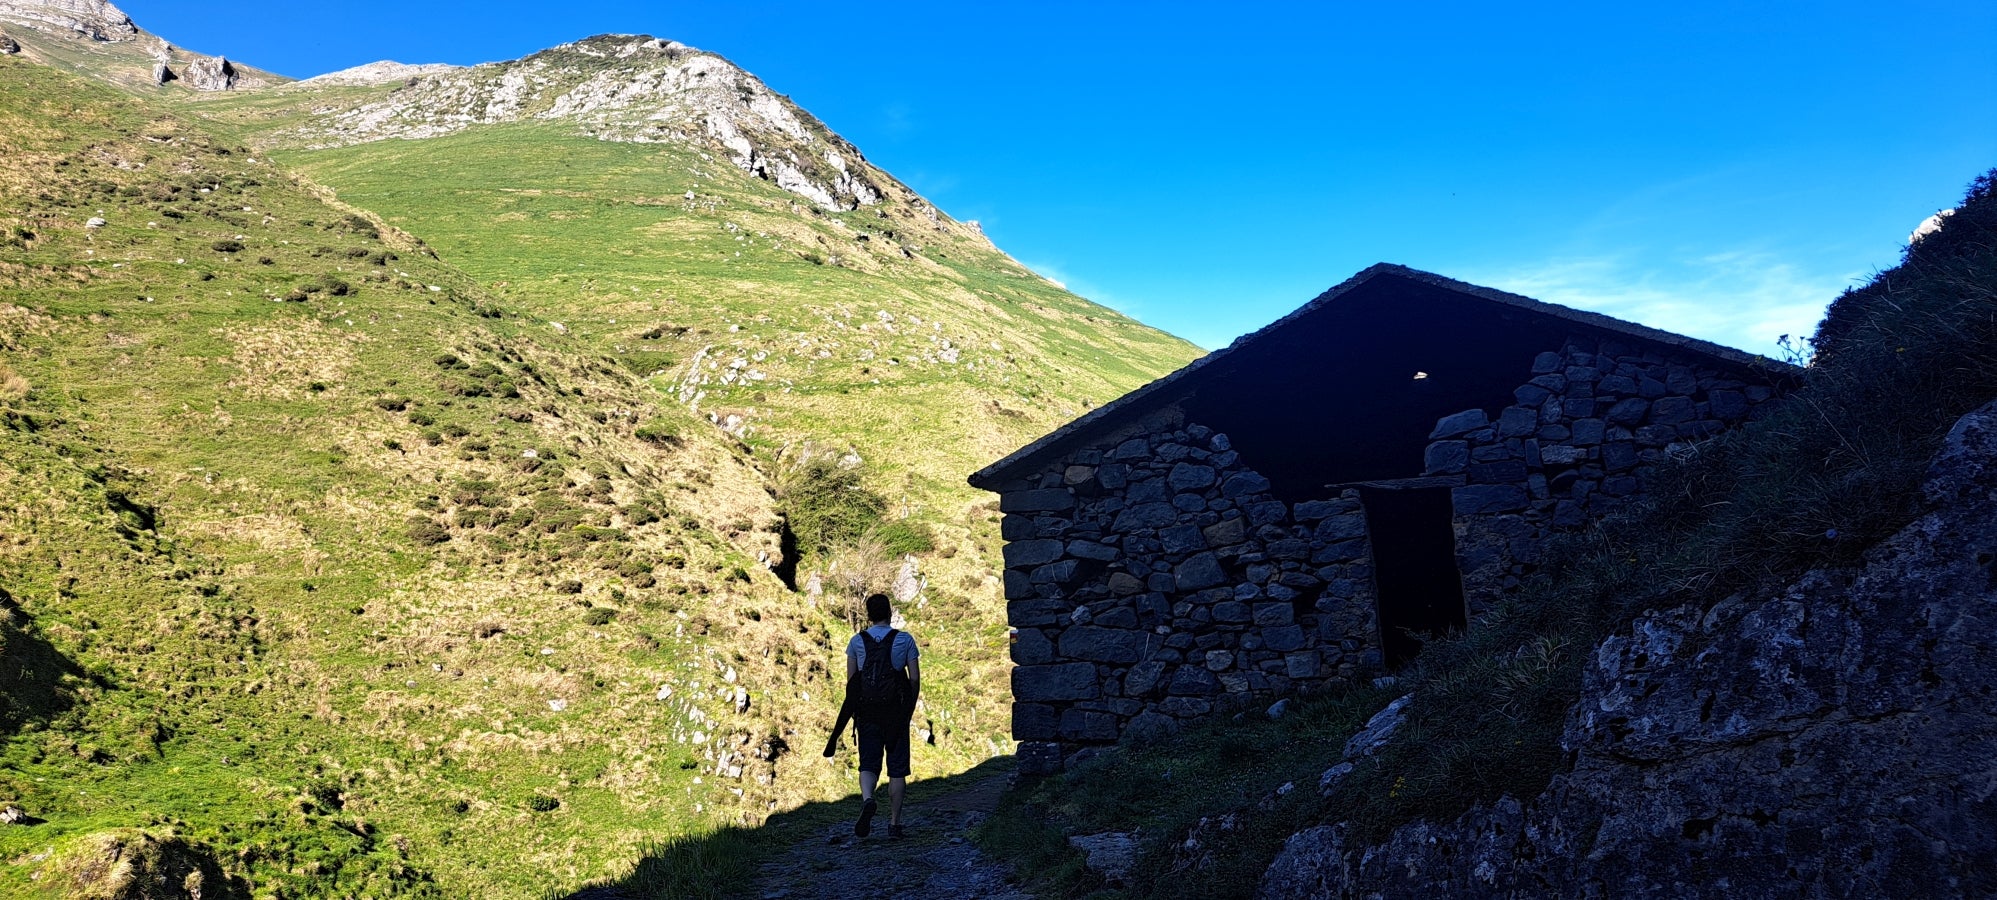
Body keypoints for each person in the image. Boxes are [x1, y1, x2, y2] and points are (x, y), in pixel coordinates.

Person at [845, 592, 919, 838]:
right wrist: (909, 708)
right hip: (896, 713)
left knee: (868, 764)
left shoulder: (856, 642)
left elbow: (852, 683)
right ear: (890, 612)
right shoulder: (905, 640)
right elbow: (914, 680)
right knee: (897, 769)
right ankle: (895, 823)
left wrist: (855, 713)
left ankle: (868, 799)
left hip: (867, 713)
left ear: (868, 615)